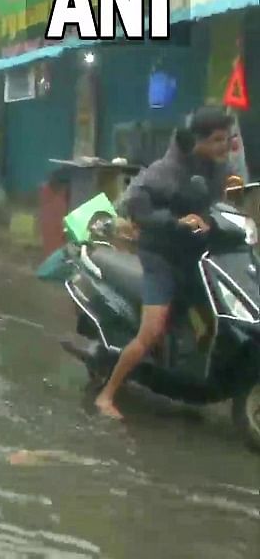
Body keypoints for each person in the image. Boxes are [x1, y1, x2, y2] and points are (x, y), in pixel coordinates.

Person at [95, 107, 233, 420]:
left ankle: (186, 378)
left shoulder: (216, 167)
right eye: (217, 140)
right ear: (198, 140)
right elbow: (135, 205)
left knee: (217, 316)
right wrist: (175, 221)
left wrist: (214, 221)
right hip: (161, 256)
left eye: (227, 139)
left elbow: (220, 204)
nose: (223, 146)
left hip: (195, 255)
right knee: (151, 331)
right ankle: (107, 394)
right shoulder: (166, 170)